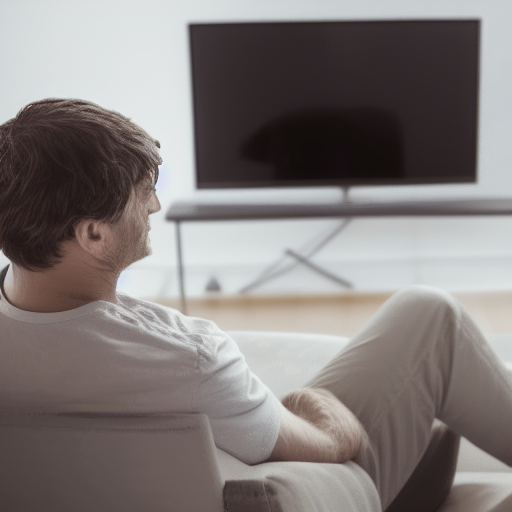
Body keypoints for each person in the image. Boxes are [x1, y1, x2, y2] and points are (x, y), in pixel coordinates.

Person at [0, 99, 510, 510]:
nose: (155, 205)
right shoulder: (189, 358)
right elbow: (330, 444)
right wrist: (318, 404)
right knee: (431, 315)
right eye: (143, 194)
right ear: (92, 233)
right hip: (300, 493)